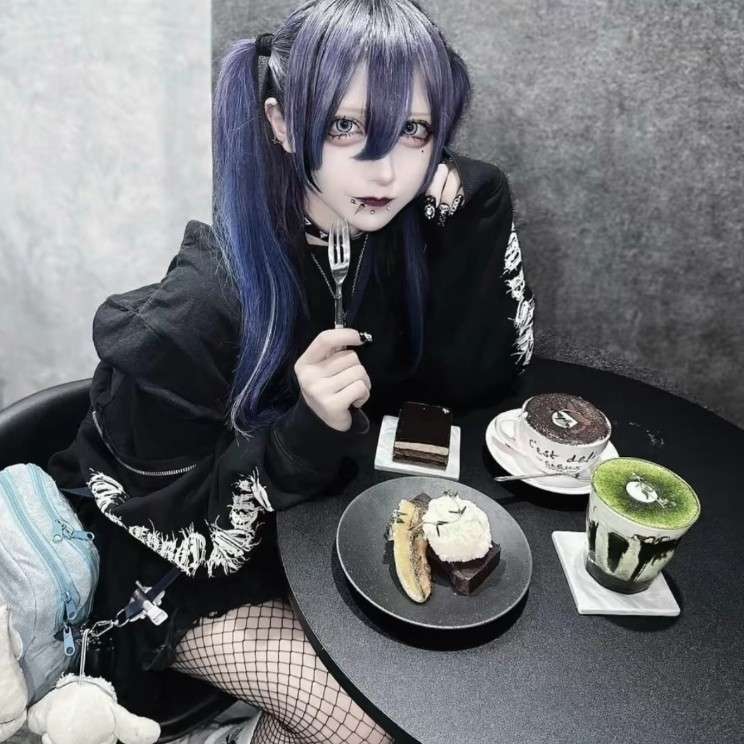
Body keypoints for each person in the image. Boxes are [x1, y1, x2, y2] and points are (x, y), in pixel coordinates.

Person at [46, 1, 535, 742]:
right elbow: (165, 517)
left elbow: (475, 387)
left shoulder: (390, 232)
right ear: (280, 123)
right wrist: (304, 430)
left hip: (311, 533)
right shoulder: (199, 307)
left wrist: (478, 208)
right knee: (375, 729)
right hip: (171, 567)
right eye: (345, 127)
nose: (385, 168)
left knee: (443, 695)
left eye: (413, 130)